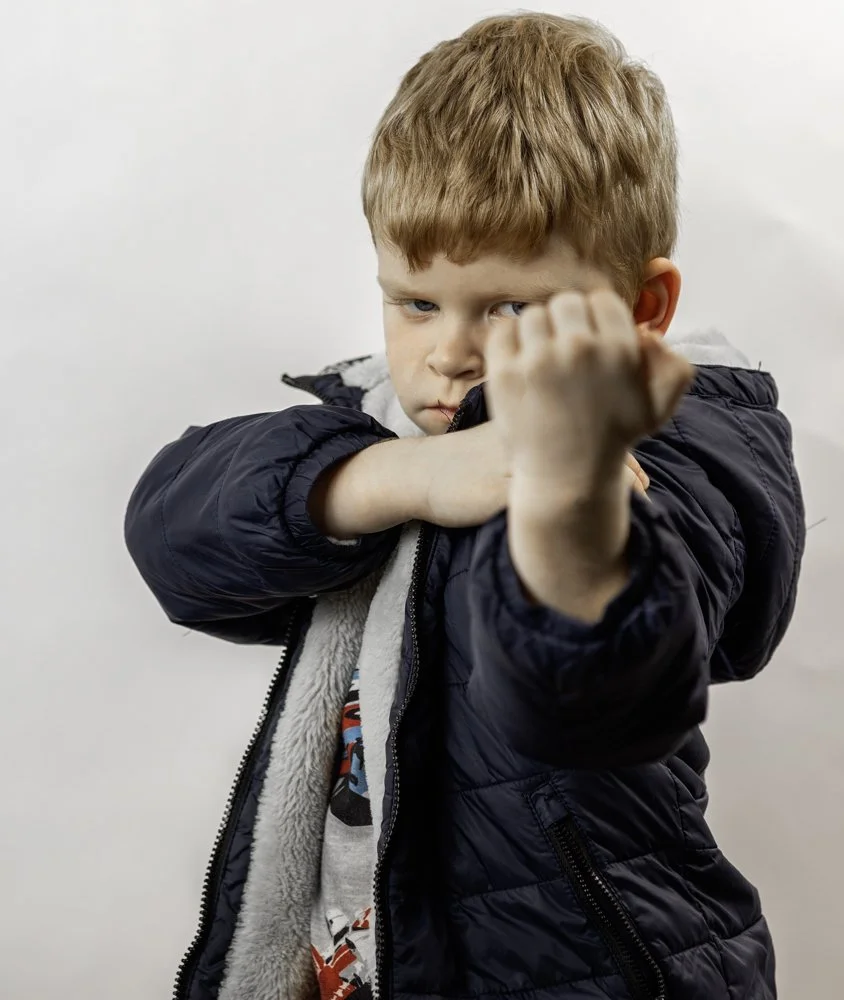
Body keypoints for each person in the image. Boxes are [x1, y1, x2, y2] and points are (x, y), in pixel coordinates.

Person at [125, 12, 806, 1000]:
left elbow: (599, 691)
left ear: (642, 310)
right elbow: (173, 537)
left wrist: (571, 510)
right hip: (355, 966)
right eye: (414, 301)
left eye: (512, 308)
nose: (447, 353)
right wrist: (406, 480)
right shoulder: (386, 436)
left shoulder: (684, 448)